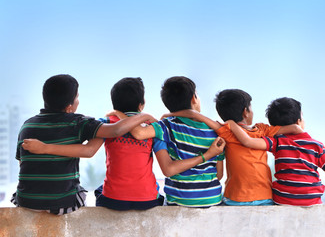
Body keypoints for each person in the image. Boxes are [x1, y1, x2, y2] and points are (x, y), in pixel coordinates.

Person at [22, 77, 226, 210]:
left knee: (100, 191)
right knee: (155, 191)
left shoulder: (109, 124)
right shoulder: (153, 127)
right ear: (141, 104)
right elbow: (218, 174)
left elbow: (97, 145)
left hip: (112, 200)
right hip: (150, 200)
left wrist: (118, 114)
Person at [13, 74, 157, 215]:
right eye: (77, 97)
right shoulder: (78, 122)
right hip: (62, 204)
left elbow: (22, 162)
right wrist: (144, 116)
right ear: (70, 107)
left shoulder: (27, 125)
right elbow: (114, 131)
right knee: (84, 193)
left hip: (26, 201)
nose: (78, 100)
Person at [162, 89, 303, 206]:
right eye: (251, 107)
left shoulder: (227, 130)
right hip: (264, 197)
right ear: (245, 112)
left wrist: (170, 115)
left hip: (234, 199)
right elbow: (295, 128)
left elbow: (196, 116)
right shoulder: (262, 130)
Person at [113, 76, 226, 208]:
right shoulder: (216, 131)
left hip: (179, 201)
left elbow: (138, 133)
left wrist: (119, 114)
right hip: (212, 199)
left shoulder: (166, 126)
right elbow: (219, 175)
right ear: (194, 98)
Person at [226, 97, 325, 206]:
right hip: (312, 199)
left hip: (283, 199)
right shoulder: (316, 145)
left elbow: (248, 142)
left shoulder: (277, 142)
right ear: (298, 121)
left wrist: (231, 123)